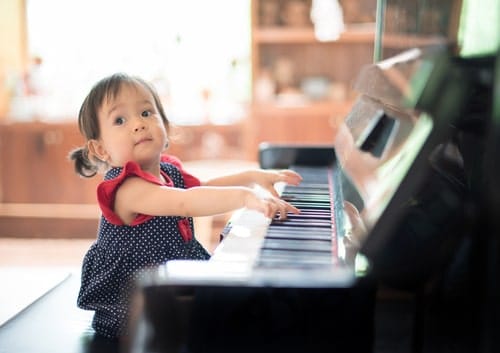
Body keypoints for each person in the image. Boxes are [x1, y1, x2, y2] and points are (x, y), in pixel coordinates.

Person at [69, 72, 302, 339]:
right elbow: (185, 202)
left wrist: (253, 177)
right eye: (120, 120)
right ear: (100, 150)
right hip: (139, 304)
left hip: (173, 279)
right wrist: (243, 198)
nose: (138, 124)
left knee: (247, 305)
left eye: (146, 113)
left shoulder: (167, 172)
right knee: (242, 313)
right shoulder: (126, 189)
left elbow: (203, 186)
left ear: (165, 126)